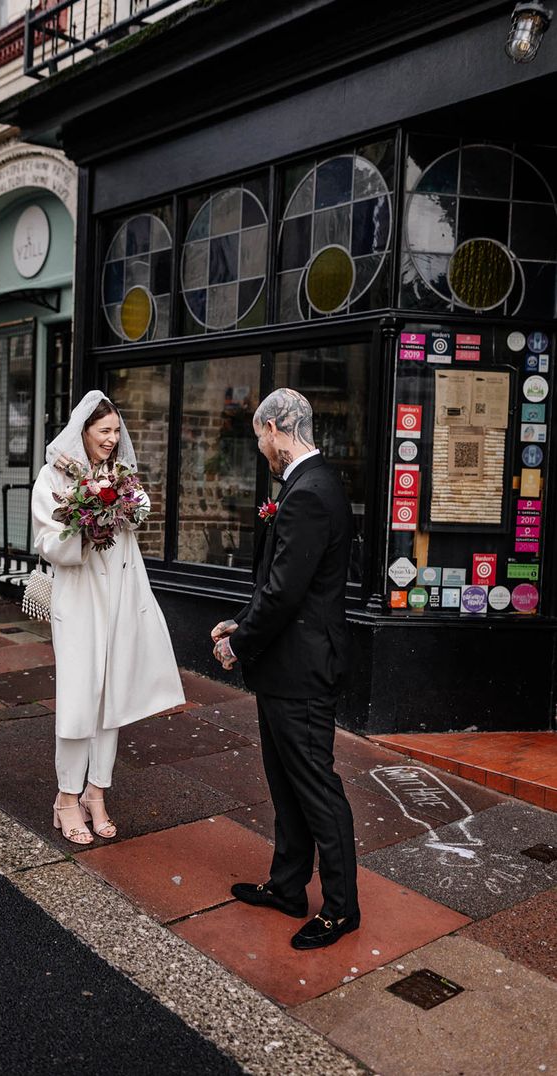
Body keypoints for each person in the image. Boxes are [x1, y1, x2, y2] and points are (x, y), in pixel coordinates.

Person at [211, 388, 359, 950]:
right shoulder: (308, 485)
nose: (260, 449)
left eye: (258, 438)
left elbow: (284, 594)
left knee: (316, 787)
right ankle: (288, 886)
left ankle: (342, 909)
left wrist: (239, 644)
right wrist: (239, 624)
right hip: (288, 666)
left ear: (275, 427)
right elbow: (277, 584)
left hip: (302, 670)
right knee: (287, 783)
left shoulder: (308, 492)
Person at [32, 390, 185, 845]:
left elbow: (138, 516)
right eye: (105, 431)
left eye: (117, 431)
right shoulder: (52, 476)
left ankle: (96, 792)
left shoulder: (118, 475)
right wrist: (87, 525)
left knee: (113, 696)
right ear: (85, 431)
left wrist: (124, 505)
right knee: (81, 696)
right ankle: (65, 798)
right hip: (79, 600)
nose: (113, 440)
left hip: (119, 595)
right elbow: (46, 540)